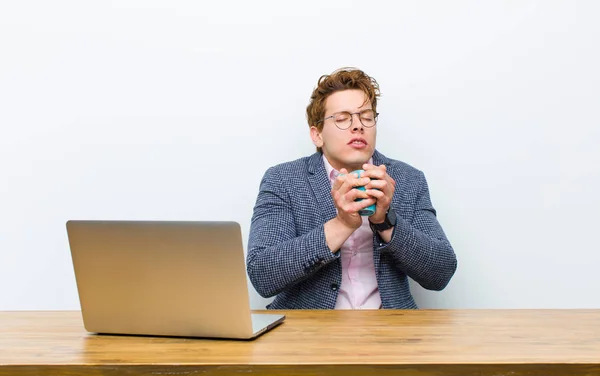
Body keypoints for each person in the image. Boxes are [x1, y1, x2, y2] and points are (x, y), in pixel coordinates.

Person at [247, 67, 457, 309]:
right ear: (317, 135)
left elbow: (441, 272)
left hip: (390, 333)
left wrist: (386, 222)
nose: (358, 126)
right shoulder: (283, 179)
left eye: (366, 117)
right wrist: (342, 225)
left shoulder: (408, 179)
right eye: (343, 118)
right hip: (308, 335)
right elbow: (262, 274)